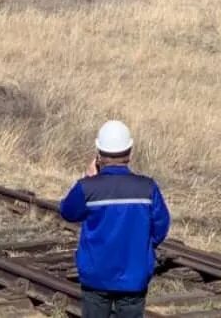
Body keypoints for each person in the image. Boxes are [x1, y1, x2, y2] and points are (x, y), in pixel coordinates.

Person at [60, 120, 171, 318]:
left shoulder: (88, 188)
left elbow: (68, 211)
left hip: (96, 275)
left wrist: (88, 177)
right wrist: (144, 246)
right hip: (134, 275)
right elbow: (161, 226)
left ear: (98, 154)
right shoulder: (147, 188)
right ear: (129, 152)